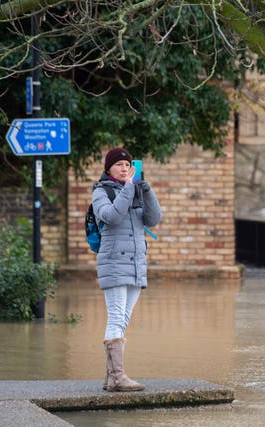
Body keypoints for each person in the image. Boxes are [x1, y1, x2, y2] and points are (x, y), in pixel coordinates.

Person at [92, 147, 162, 392]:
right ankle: (117, 377)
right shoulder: (101, 191)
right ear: (108, 168)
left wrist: (145, 189)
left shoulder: (136, 190)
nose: (124, 168)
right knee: (116, 316)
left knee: (123, 319)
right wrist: (129, 188)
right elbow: (110, 216)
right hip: (113, 261)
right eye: (119, 165)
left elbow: (153, 220)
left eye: (127, 164)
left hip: (136, 264)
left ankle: (112, 377)